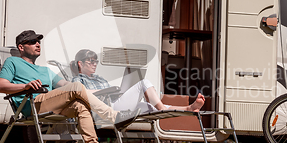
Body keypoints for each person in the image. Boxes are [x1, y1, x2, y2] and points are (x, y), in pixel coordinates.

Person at [0, 30, 139, 143]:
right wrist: (25, 86)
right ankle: (114, 117)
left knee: (80, 106)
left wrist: (96, 91)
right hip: (32, 103)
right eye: (32, 41)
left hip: (50, 103)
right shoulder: (13, 62)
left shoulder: (45, 70)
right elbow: (1, 86)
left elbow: (66, 84)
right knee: (76, 86)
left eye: (38, 41)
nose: (38, 44)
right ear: (21, 47)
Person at [71, 49, 205, 113]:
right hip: (107, 109)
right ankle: (163, 108)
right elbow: (82, 92)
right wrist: (105, 90)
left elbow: (110, 91)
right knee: (143, 83)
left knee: (149, 107)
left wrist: (117, 91)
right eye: (91, 61)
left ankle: (188, 108)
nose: (95, 64)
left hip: (115, 102)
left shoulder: (99, 78)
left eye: (96, 61)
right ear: (80, 64)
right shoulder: (78, 79)